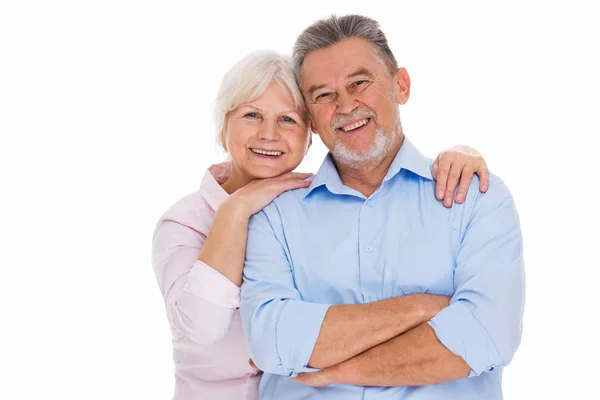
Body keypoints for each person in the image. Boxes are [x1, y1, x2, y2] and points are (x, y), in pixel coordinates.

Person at [152, 49, 490, 399]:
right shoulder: (183, 223)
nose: (269, 134)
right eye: (252, 115)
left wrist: (460, 154)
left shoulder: (322, 200)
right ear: (224, 127)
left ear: (310, 133)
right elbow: (203, 327)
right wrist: (235, 210)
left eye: (287, 120)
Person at [240, 14, 524, 400]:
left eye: (359, 83)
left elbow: (486, 335)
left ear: (400, 85)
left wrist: (339, 368)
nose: (346, 105)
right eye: (323, 95)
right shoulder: (274, 214)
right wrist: (421, 308)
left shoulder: (475, 198)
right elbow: (271, 340)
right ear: (310, 116)